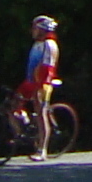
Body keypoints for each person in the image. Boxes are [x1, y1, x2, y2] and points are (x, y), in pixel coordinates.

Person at [17, 16, 61, 155]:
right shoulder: (37, 44)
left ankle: (42, 149)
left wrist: (40, 87)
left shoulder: (49, 44)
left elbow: (48, 68)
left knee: (41, 114)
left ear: (42, 30)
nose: (32, 31)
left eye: (35, 28)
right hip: (30, 81)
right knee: (14, 103)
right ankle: (24, 129)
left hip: (42, 83)